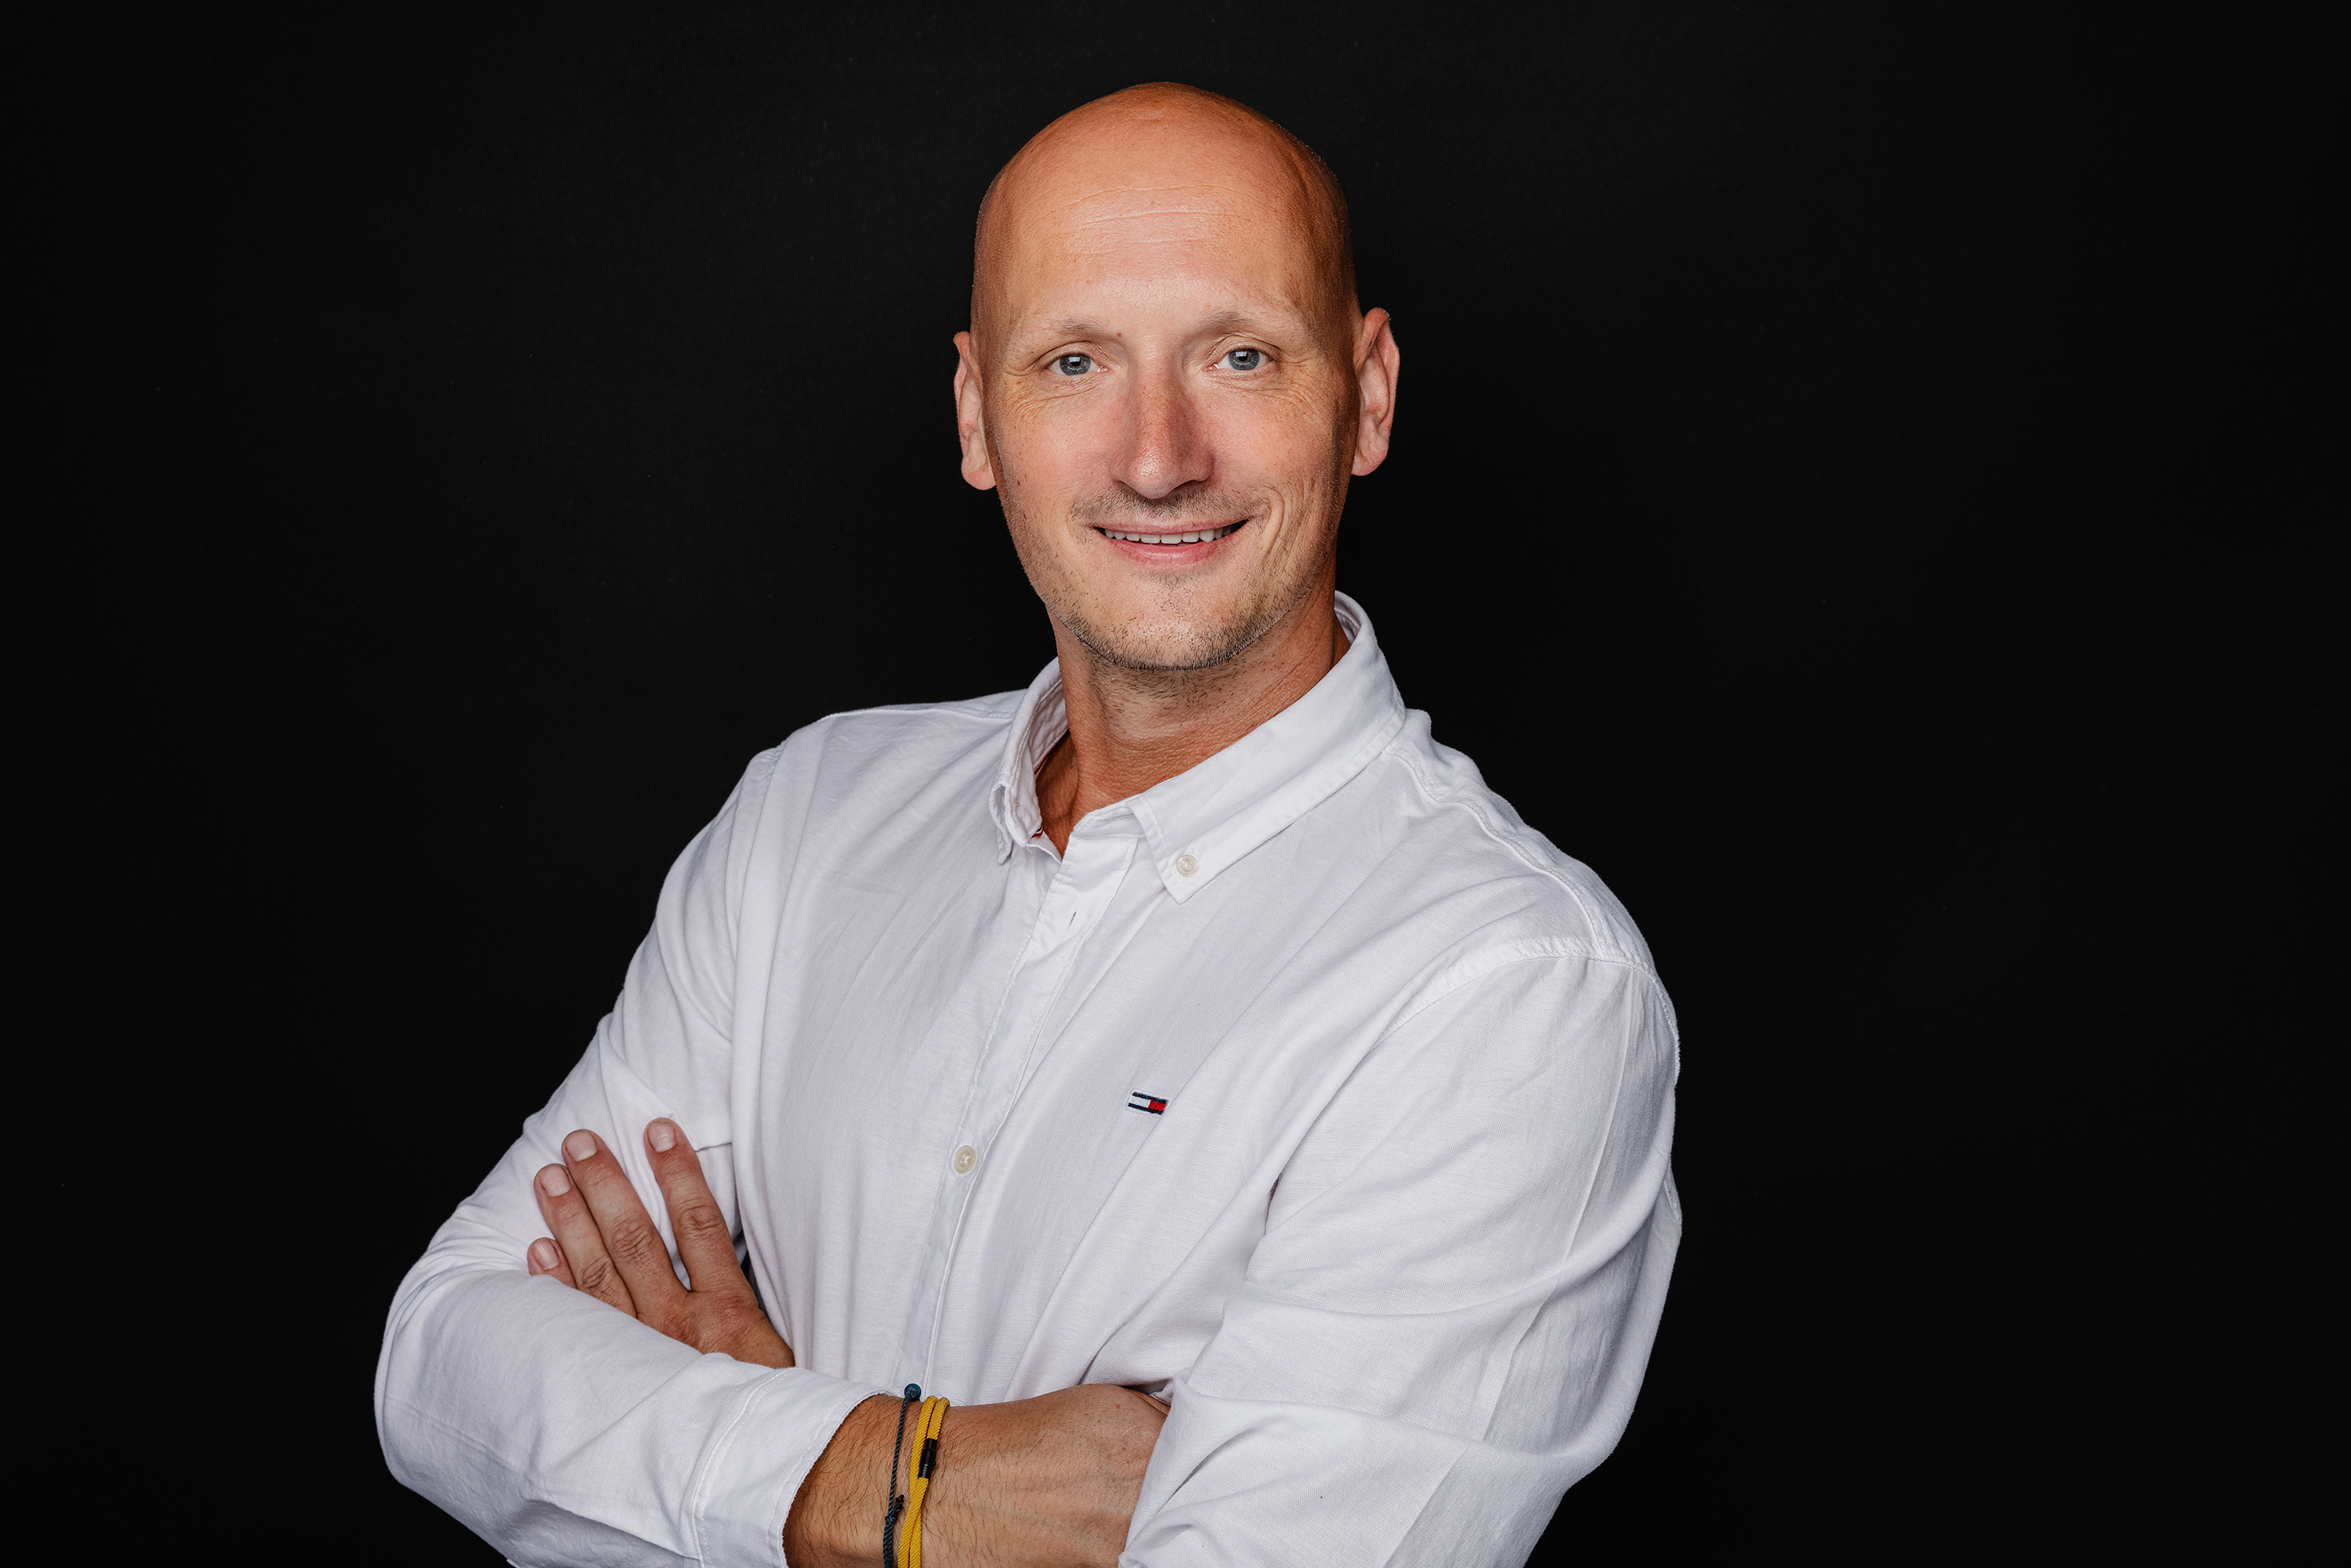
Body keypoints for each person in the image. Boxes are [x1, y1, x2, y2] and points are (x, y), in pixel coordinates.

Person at [378, 81, 1680, 1567]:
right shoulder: (809, 817)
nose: (1157, 455)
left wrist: (711, 1460)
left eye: (1240, 356)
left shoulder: (1511, 988)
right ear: (975, 414)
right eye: (1073, 362)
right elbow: (442, 1362)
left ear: (1368, 394)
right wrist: (886, 1481)